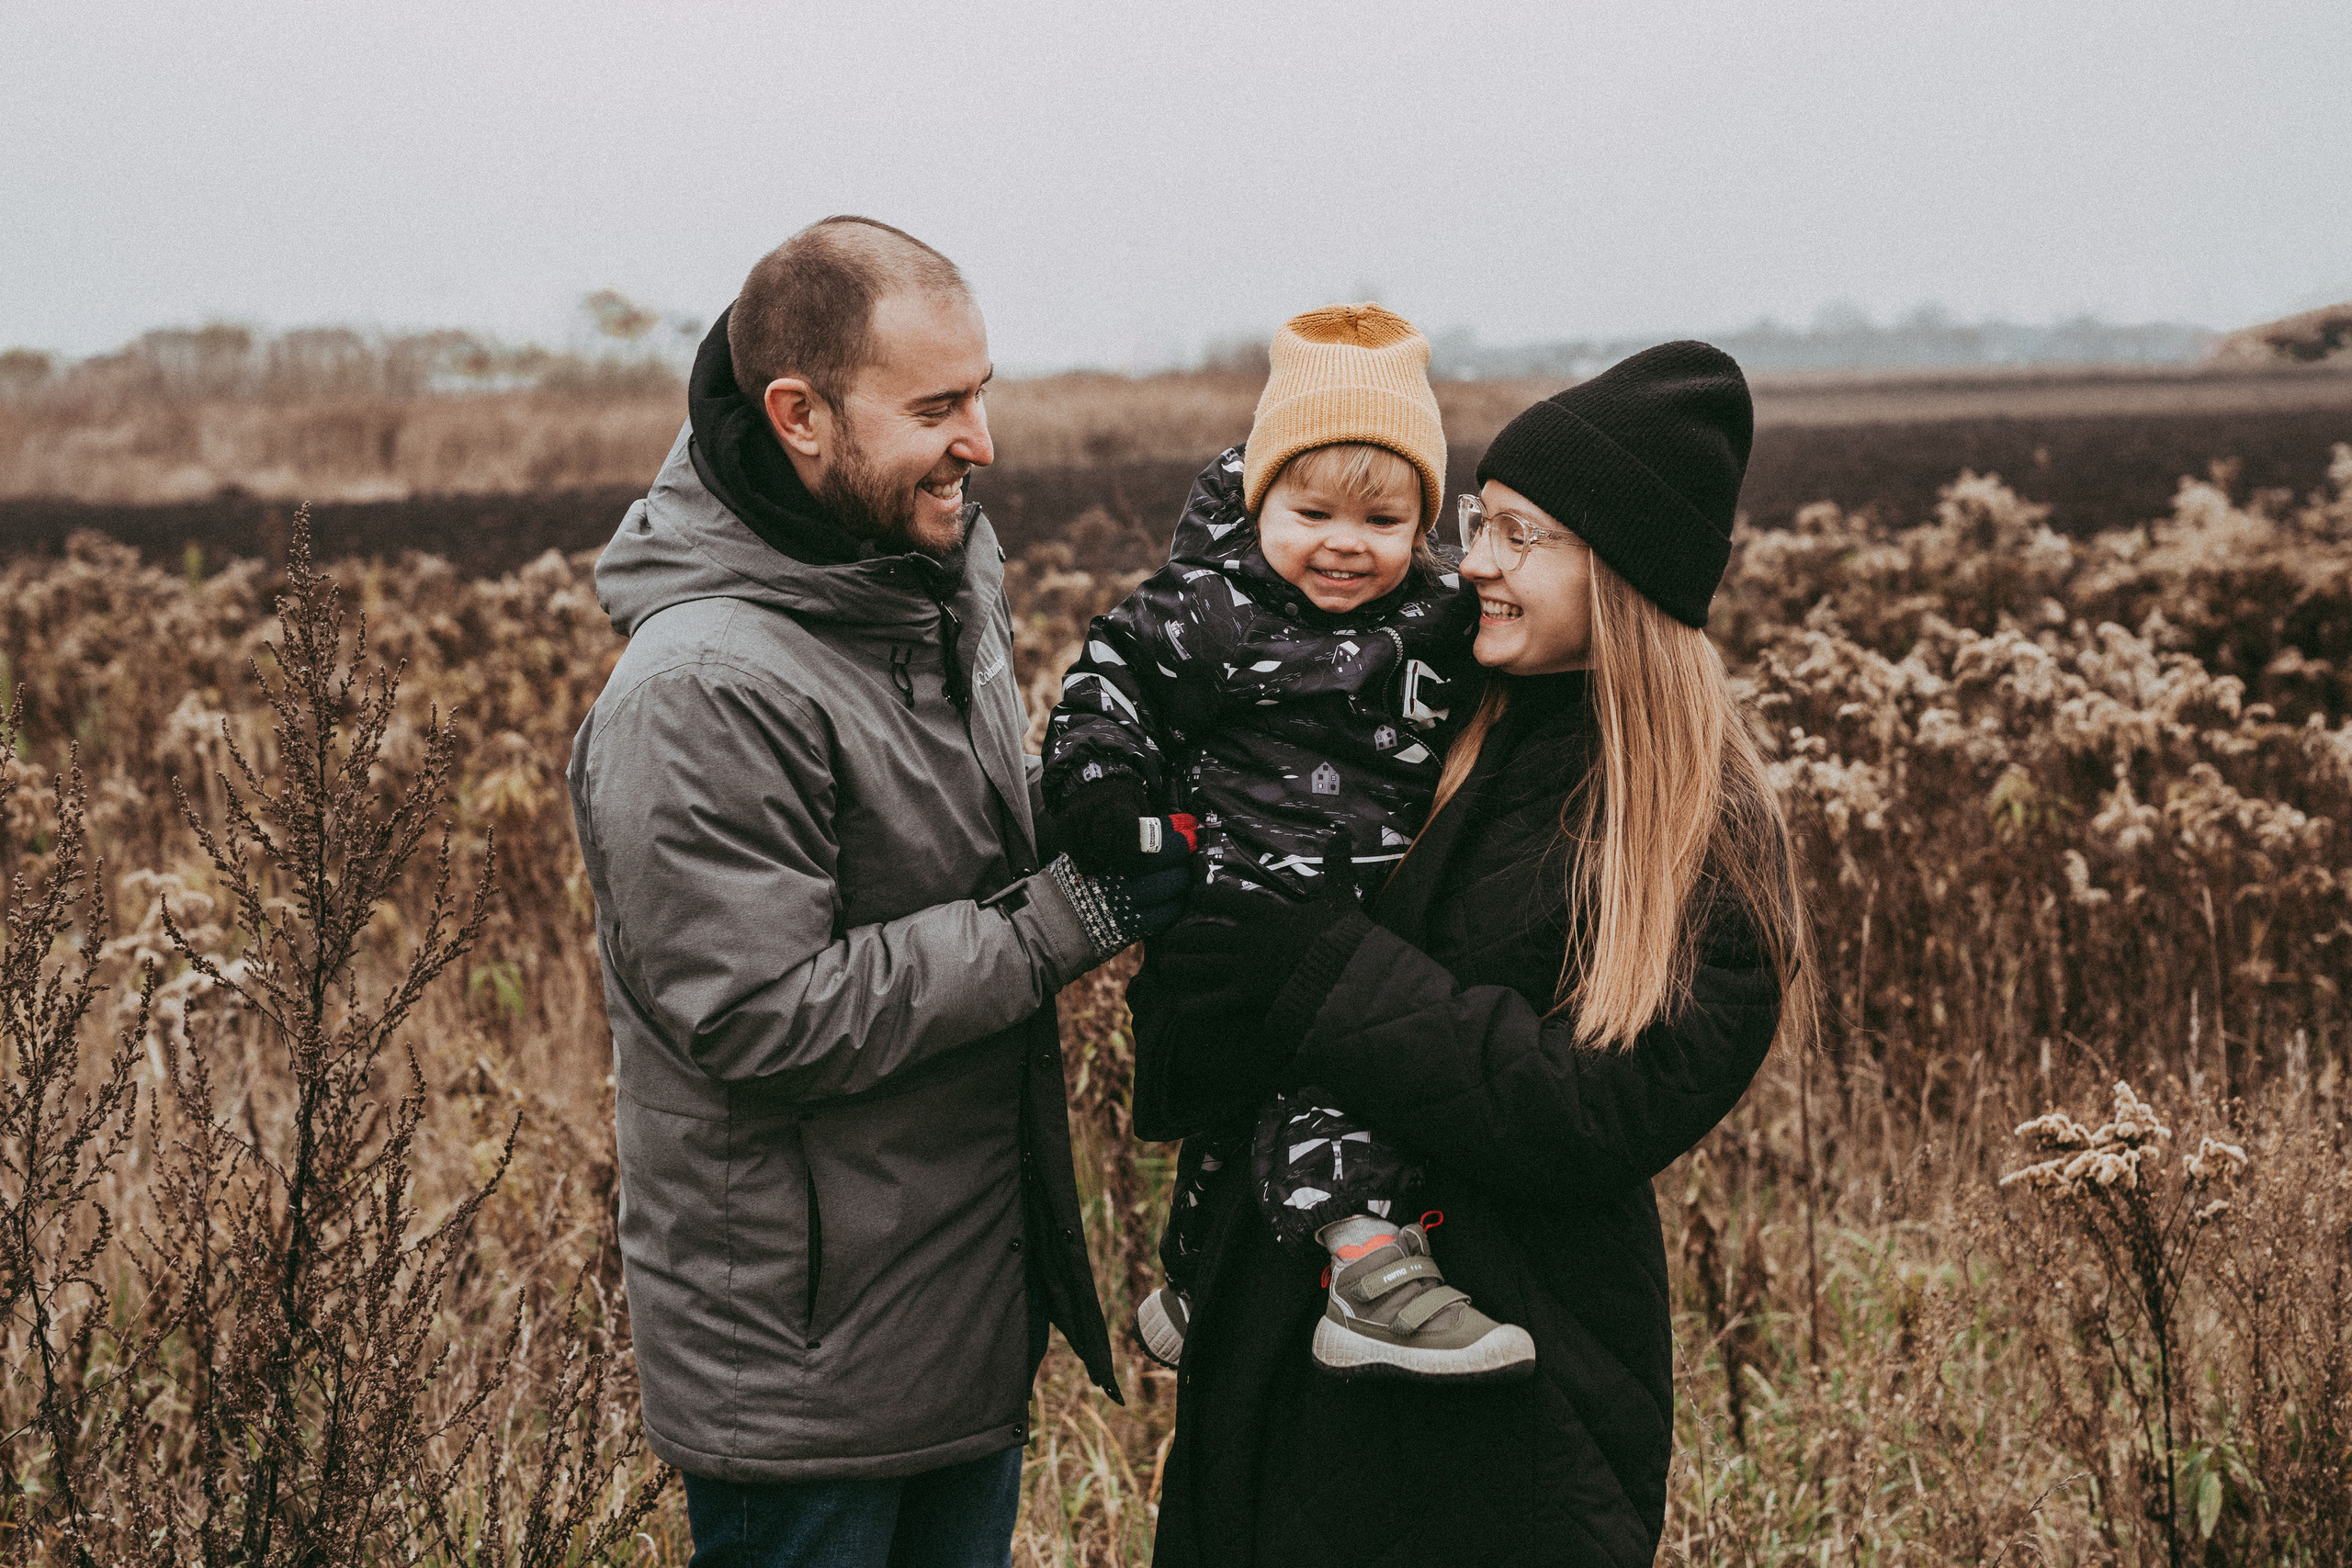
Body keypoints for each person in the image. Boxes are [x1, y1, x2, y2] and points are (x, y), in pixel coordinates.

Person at [1131, 342, 1818, 1567]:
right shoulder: (1410, 723)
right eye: (1478, 524)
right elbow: (1210, 1027)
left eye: (1519, 534)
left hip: (1500, 1426)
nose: (1474, 561)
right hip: (1270, 1381)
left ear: (1620, 570)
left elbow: (1597, 1108)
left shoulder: (1700, 831)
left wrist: (1319, 977)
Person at [566, 215, 1186, 1568]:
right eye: (939, 406)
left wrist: (1100, 793)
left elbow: (949, 842)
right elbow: (756, 1015)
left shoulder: (930, 573)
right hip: (806, 1372)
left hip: (956, 1309)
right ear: (799, 413)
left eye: (984, 392)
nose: (983, 441)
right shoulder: (704, 690)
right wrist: (1065, 912)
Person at [1043, 304, 1532, 1382]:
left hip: (1376, 899)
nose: (1346, 546)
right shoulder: (1209, 609)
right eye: (1311, 511)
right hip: (1243, 897)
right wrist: (1103, 795)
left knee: (1253, 1108)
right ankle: (1370, 1274)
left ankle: (1193, 1275)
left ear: (1423, 522)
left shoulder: (1437, 616)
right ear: (1261, 497)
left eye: (1384, 521)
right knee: (1320, 1088)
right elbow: (1104, 691)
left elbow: (1523, 652)